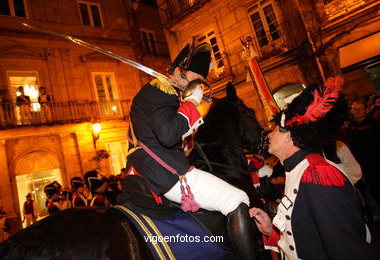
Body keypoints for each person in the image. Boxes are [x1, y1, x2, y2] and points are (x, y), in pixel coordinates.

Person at [126, 42, 259, 259]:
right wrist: (191, 102)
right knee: (237, 199)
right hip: (165, 173)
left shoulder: (168, 94)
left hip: (157, 167)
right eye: (194, 80)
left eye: (201, 83)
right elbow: (168, 135)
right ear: (179, 71)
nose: (197, 86)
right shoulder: (160, 91)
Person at [249, 77, 373, 259]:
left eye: (275, 128)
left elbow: (346, 249)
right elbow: (305, 241)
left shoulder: (318, 174)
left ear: (288, 136)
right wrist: (271, 230)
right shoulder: (298, 170)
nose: (270, 133)